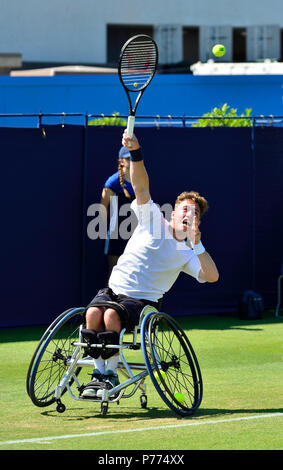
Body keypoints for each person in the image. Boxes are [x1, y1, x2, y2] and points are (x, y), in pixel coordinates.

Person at [81, 130, 219, 398]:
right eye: (185, 209)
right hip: (113, 290)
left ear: (198, 222)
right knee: (92, 315)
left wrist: (198, 244)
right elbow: (141, 186)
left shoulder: (188, 252)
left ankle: (107, 377)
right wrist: (136, 152)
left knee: (110, 316)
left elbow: (211, 276)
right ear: (174, 212)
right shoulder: (152, 218)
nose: (189, 214)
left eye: (195, 213)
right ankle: (98, 374)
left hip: (142, 303)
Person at [100, 146, 136, 278]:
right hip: (116, 237)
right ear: (121, 161)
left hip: (135, 236)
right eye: (128, 158)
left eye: (133, 157)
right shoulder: (112, 182)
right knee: (114, 274)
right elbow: (103, 207)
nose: (131, 161)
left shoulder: (140, 180)